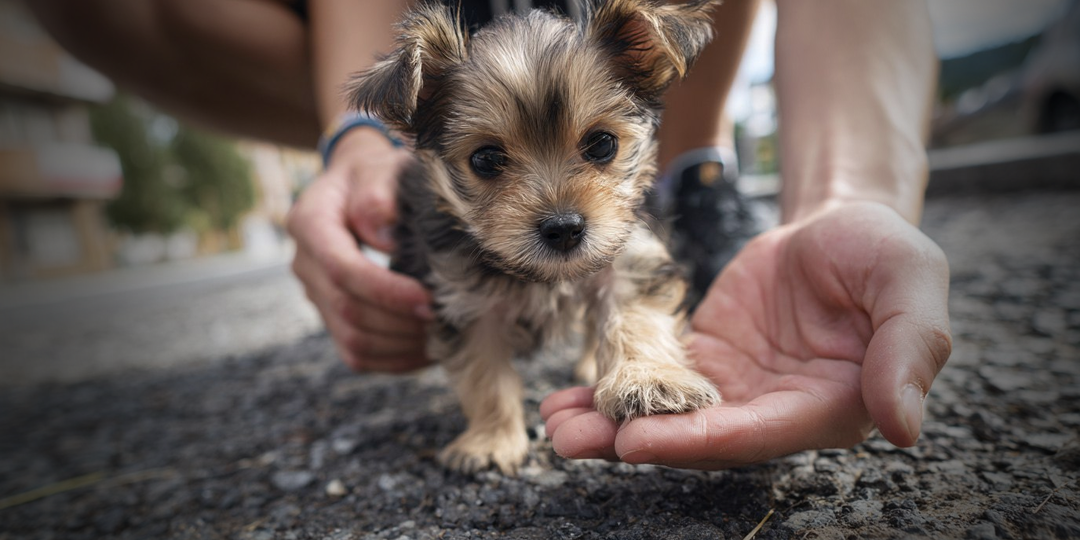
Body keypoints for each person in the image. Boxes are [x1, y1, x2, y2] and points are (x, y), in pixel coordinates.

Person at [29, 0, 951, 469]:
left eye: (598, 146)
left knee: (628, 286)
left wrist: (844, 195)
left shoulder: (634, 34)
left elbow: (635, 288)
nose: (556, 203)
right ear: (425, 145)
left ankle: (694, 167)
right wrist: (351, 139)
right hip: (403, 50)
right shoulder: (423, 102)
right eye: (490, 163)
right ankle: (501, 416)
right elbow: (463, 329)